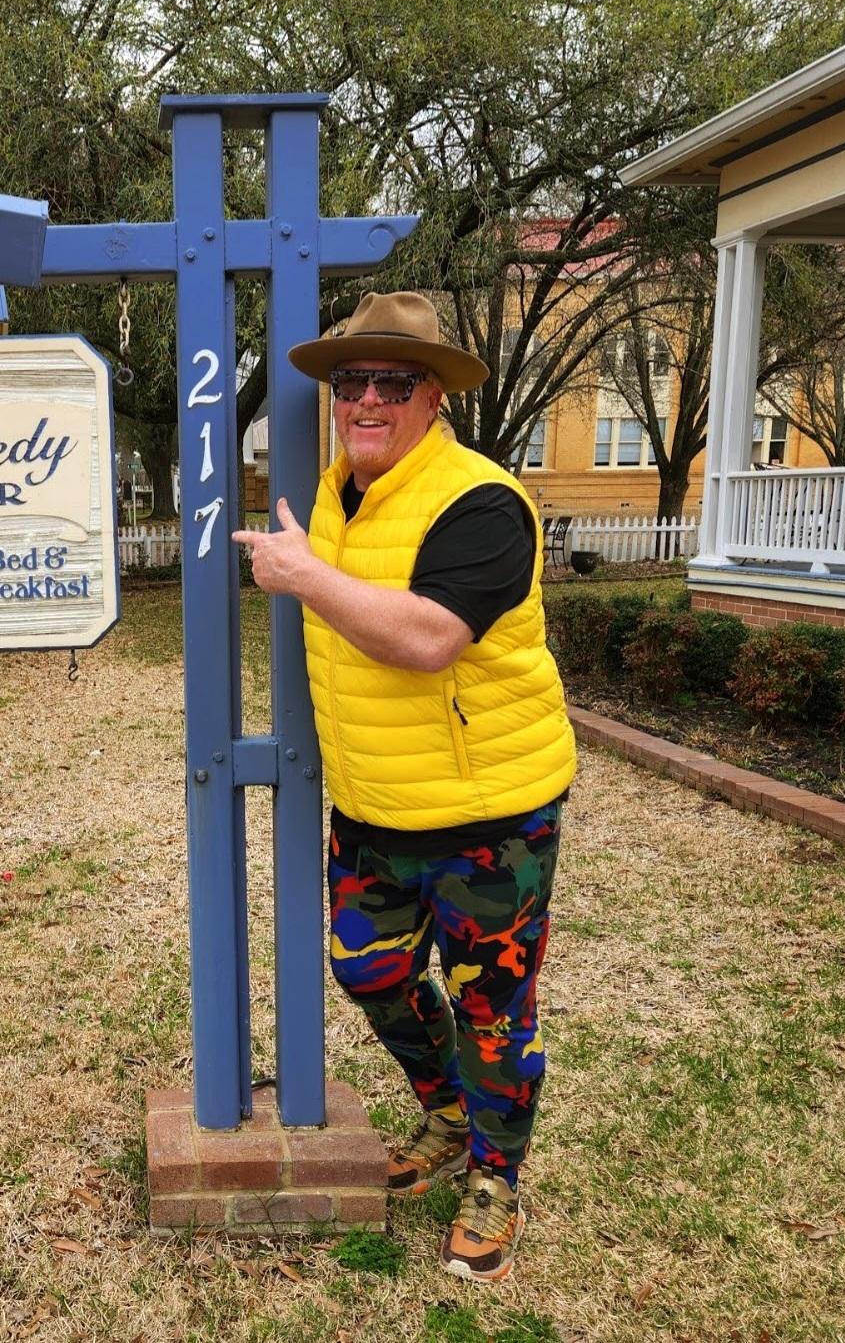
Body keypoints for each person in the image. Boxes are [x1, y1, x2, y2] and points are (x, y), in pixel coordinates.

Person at [231, 291, 576, 1283]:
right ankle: (450, 1114)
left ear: (435, 398)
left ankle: (496, 1180)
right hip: (376, 810)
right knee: (369, 971)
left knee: (492, 1006)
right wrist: (307, 558)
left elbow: (428, 639)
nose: (368, 398)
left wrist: (303, 578)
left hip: (490, 821)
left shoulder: (481, 501)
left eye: (395, 381)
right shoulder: (335, 494)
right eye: (352, 382)